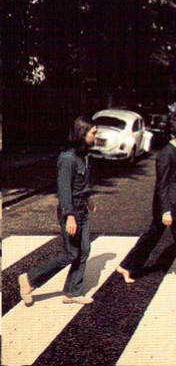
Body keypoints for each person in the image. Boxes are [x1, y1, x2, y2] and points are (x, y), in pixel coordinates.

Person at [116, 118, 176, 287]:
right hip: (170, 205)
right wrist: (166, 210)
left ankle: (127, 266)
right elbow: (163, 184)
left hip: (174, 202)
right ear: (173, 135)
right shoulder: (166, 154)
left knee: (152, 236)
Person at [18, 115, 98, 305]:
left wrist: (89, 199)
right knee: (71, 253)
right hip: (71, 211)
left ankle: (72, 291)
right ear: (82, 133)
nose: (96, 137)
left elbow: (81, 184)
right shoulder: (67, 159)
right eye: (93, 133)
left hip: (82, 209)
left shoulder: (83, 156)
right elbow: (64, 190)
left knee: (84, 250)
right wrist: (69, 215)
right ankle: (29, 279)